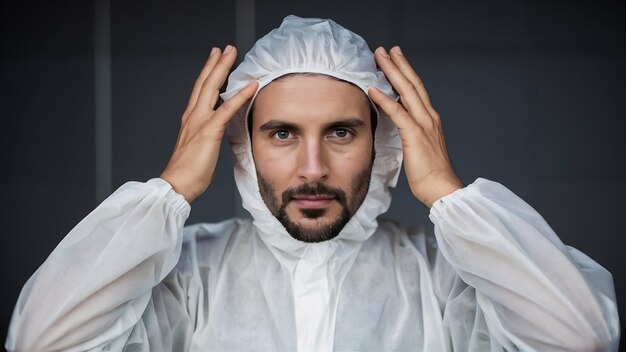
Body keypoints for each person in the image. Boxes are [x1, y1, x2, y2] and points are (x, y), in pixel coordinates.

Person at [5, 15, 620, 351]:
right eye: (281, 134)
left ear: (383, 144)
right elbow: (42, 343)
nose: (313, 169)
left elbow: (580, 338)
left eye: (342, 133)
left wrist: (447, 195)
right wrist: (169, 190)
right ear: (241, 144)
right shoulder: (185, 277)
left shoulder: (446, 278)